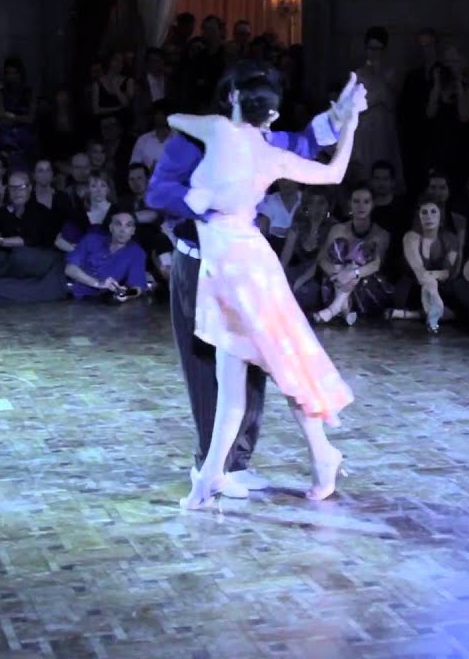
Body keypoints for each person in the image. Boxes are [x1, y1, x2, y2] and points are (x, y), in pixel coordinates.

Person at [146, 60, 364, 503]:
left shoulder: (251, 139)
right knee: (215, 368)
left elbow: (303, 142)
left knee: (264, 368)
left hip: (243, 267)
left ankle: (234, 466)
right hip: (203, 264)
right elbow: (158, 192)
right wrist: (198, 202)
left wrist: (340, 118)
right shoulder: (201, 139)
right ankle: (215, 467)